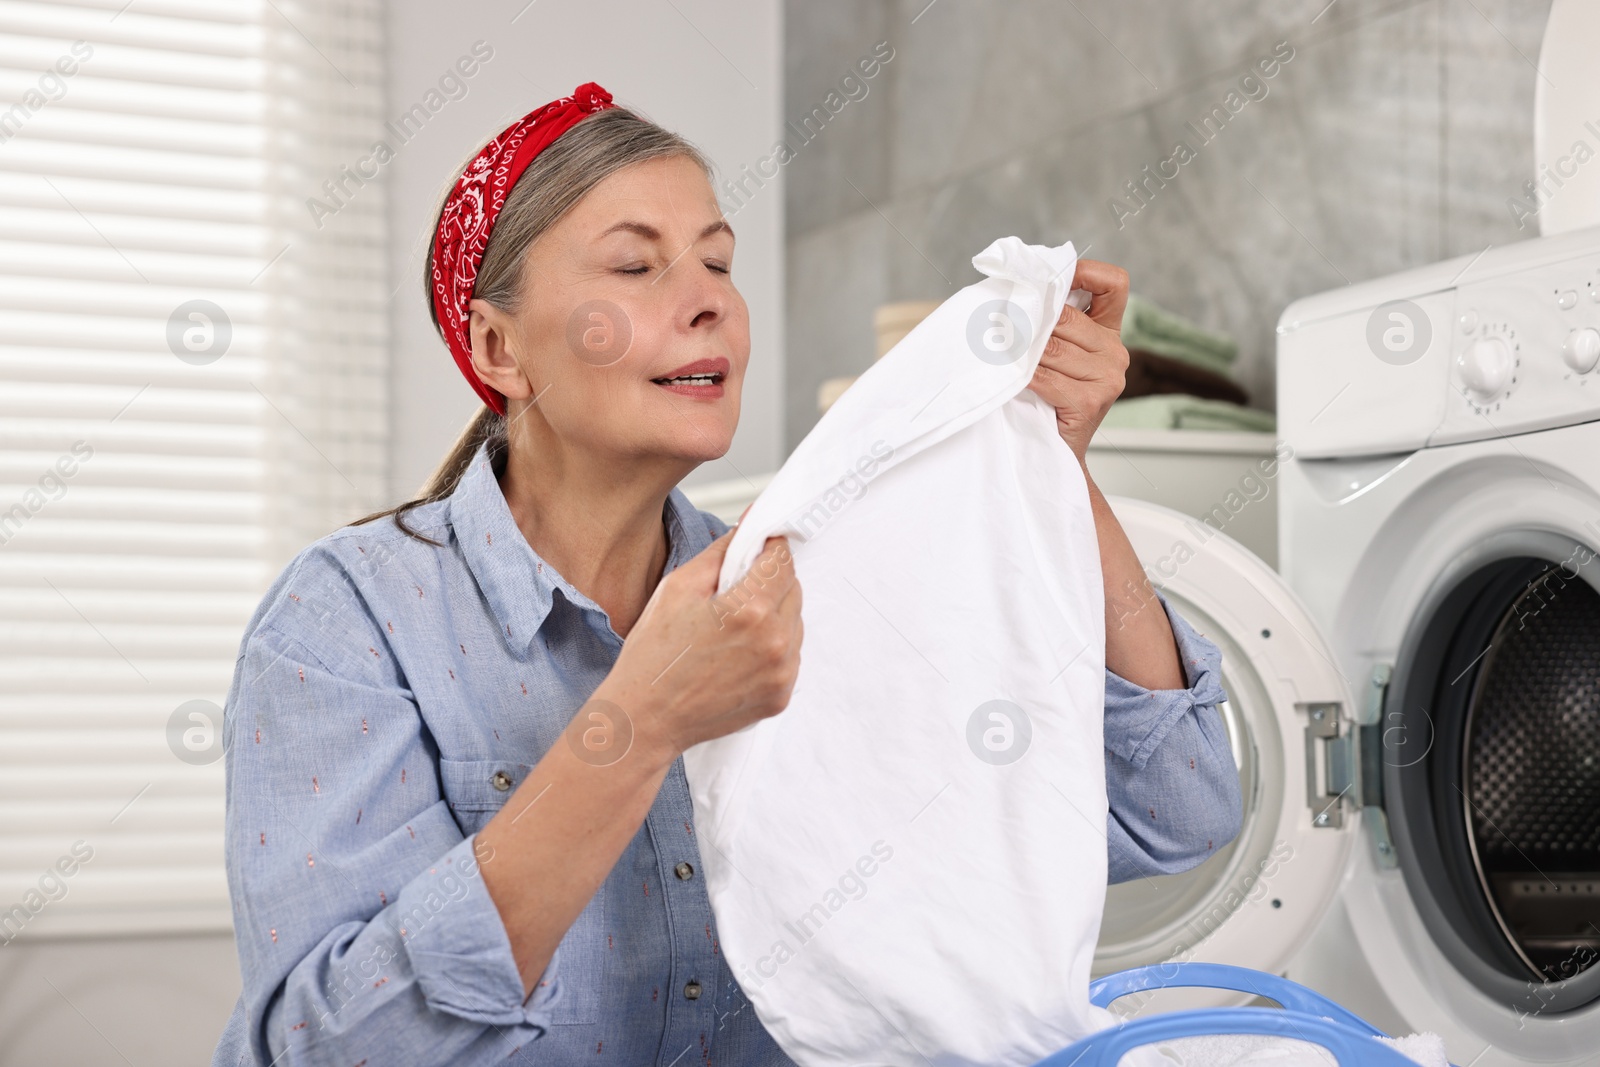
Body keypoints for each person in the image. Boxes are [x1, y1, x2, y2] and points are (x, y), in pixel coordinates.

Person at [211, 82, 1241, 1067]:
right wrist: (641, 722)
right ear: (499, 345)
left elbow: (1174, 809)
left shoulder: (802, 583)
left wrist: (1056, 458)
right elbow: (333, 1044)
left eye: (718, 262)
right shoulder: (350, 619)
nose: (707, 303)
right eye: (636, 266)